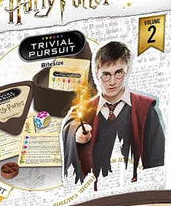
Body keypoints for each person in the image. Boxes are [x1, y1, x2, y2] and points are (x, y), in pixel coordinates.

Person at [61, 41, 165, 190]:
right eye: (106, 75)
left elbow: (157, 158)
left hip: (134, 190)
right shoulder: (84, 110)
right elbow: (72, 122)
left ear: (127, 70)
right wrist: (76, 132)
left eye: (118, 73)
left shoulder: (145, 109)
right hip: (93, 191)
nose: (112, 82)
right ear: (96, 74)